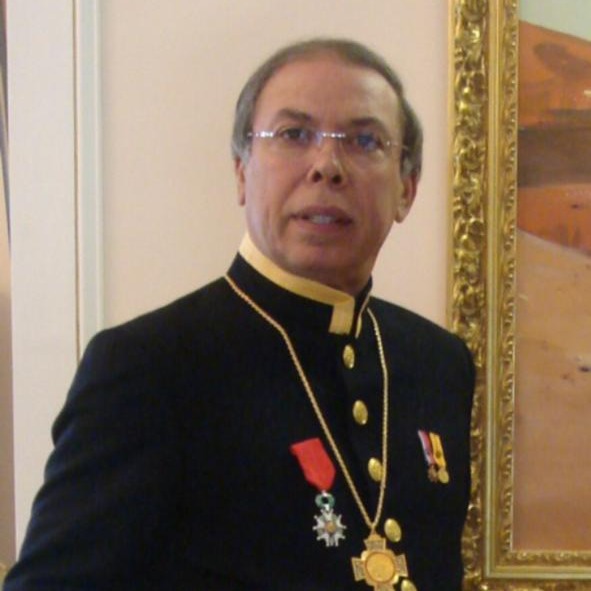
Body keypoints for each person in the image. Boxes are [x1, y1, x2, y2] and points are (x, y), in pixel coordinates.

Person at [5, 38, 474, 591]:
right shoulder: (150, 366)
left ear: (407, 189)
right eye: (293, 134)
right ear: (241, 172)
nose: (327, 166)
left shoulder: (438, 363)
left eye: (365, 140)